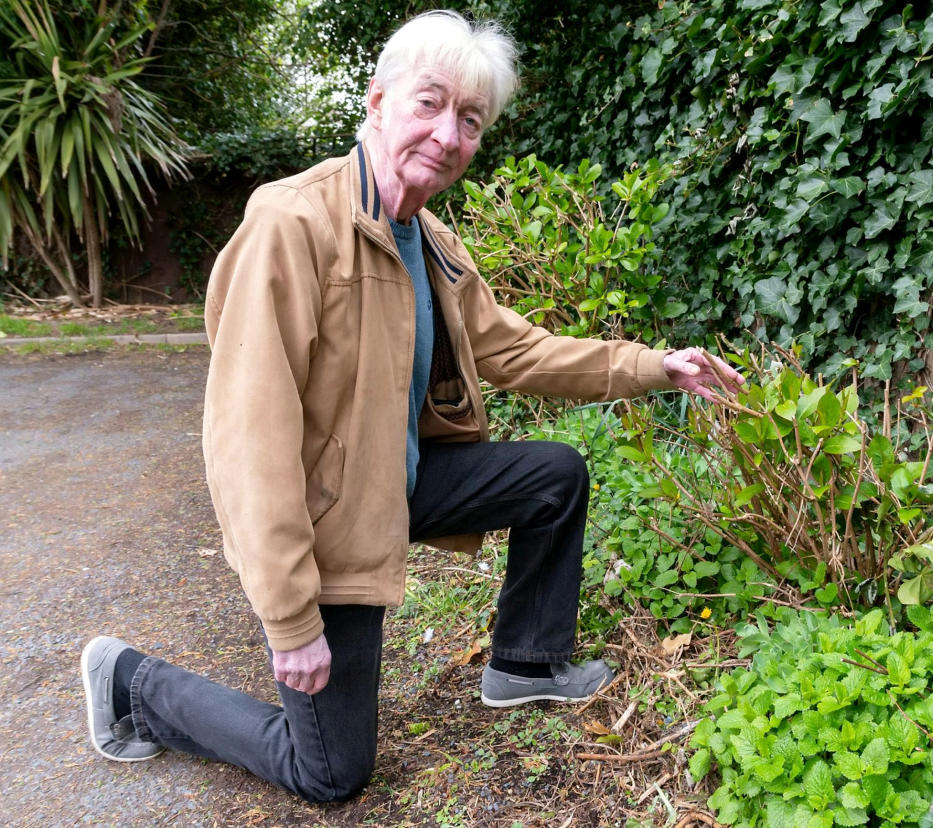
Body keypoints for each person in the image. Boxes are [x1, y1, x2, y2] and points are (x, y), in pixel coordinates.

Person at [79, 9, 742, 803]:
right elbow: (246, 438)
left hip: (396, 486)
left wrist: (654, 366)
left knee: (554, 475)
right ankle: (131, 684)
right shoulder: (292, 222)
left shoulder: (428, 239)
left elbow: (516, 350)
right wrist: (291, 620)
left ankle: (524, 665)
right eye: (431, 104)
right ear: (377, 100)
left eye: (471, 120)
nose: (449, 135)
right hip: (329, 528)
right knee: (329, 772)